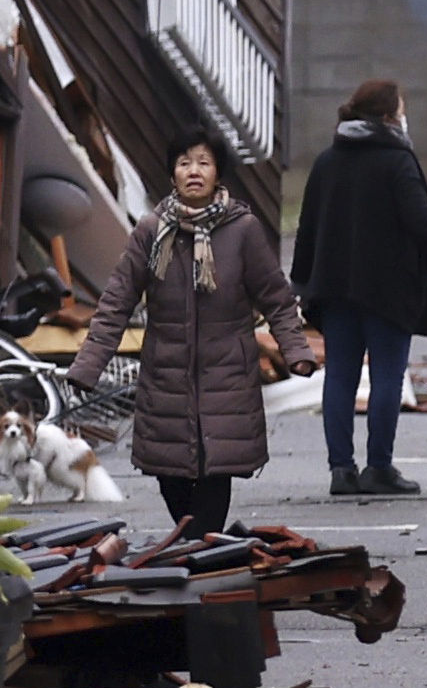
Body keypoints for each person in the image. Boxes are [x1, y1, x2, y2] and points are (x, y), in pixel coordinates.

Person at [66, 141, 309, 536]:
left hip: (227, 374)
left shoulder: (242, 231)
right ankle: (216, 546)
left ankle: (207, 556)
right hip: (166, 376)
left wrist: (296, 351)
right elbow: (116, 302)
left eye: (204, 163)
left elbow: (277, 299)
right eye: (184, 163)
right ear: (173, 173)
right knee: (171, 477)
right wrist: (88, 365)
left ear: (217, 173)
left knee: (215, 474)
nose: (194, 171)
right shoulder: (150, 231)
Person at [287, 76, 427, 500]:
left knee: (339, 378)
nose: (404, 116)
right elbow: (423, 226)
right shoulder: (397, 161)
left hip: (335, 290)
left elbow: (308, 228)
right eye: (400, 109)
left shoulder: (328, 161)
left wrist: (302, 284)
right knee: (386, 379)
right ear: (387, 117)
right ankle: (379, 467)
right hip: (388, 293)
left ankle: (341, 470)